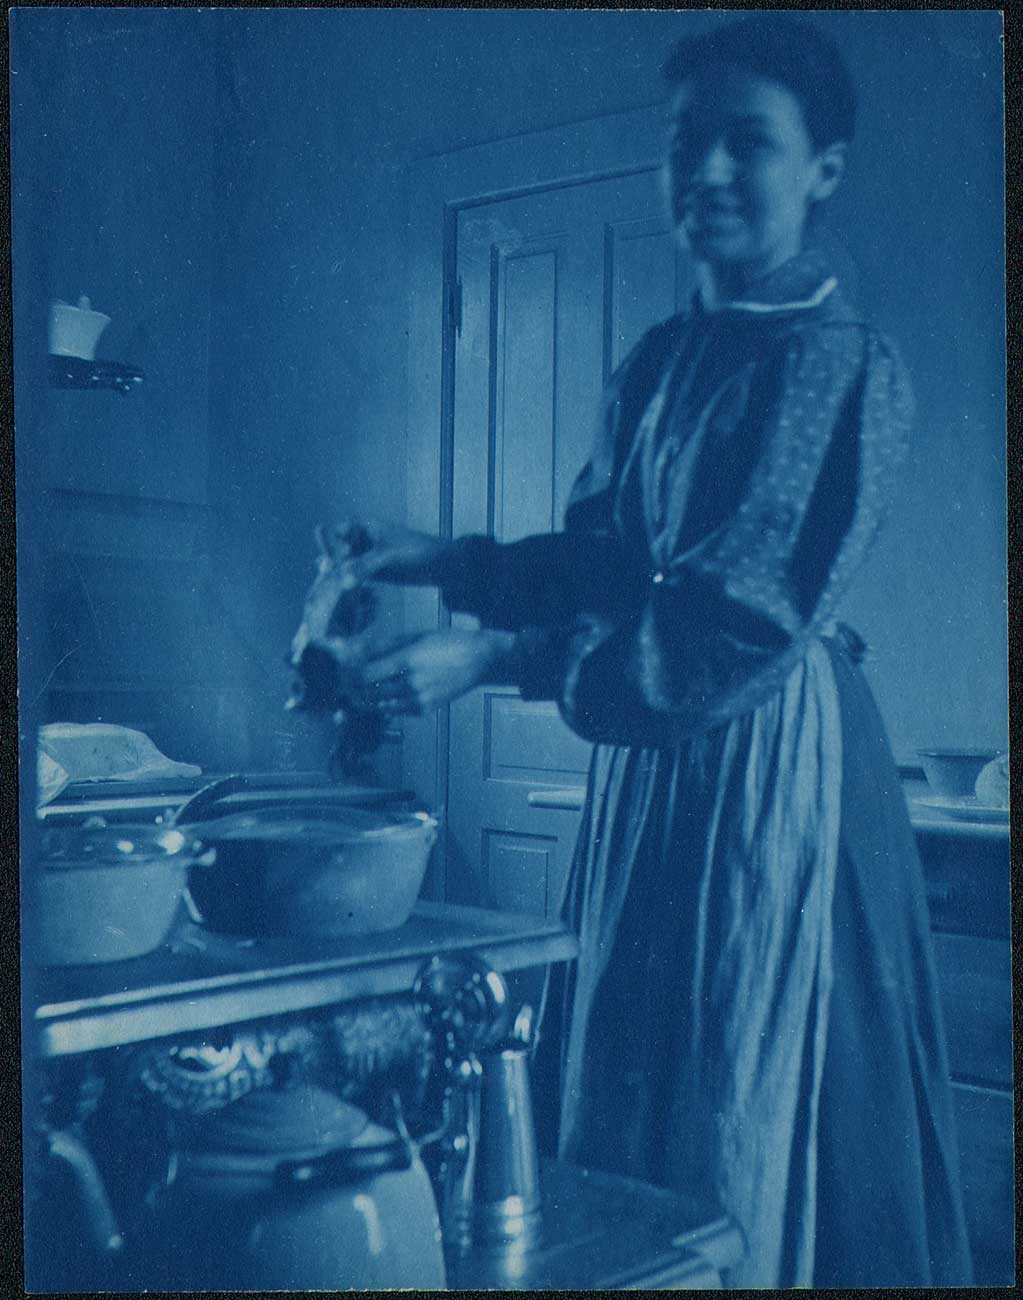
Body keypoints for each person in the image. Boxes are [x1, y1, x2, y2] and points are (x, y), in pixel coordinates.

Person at [313, 16, 973, 1288]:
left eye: (750, 143)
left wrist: (491, 656)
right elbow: (610, 561)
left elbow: (730, 619)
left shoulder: (840, 363)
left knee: (751, 1080)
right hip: (658, 769)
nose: (710, 172)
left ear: (823, 168)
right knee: (642, 1065)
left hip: (769, 754)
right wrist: (439, 563)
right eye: (687, 143)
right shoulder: (662, 362)